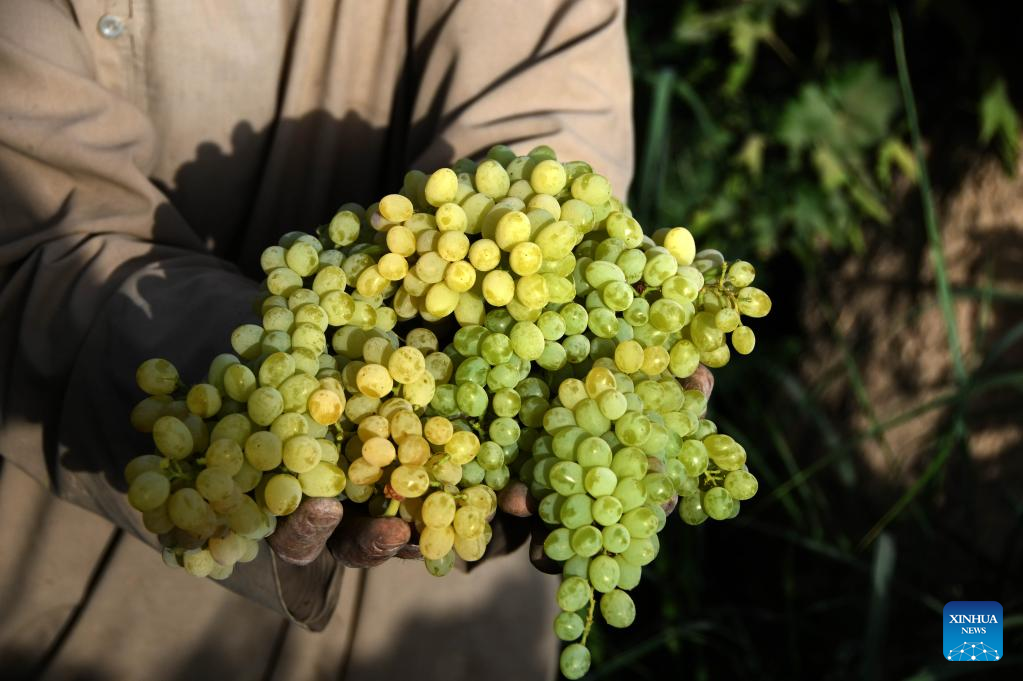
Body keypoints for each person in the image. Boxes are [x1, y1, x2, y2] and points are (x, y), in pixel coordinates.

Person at [0, 1, 634, 679]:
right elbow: (29, 225)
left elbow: (550, 130)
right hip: (108, 597)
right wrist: (274, 394)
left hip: (448, 617)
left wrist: (544, 291)